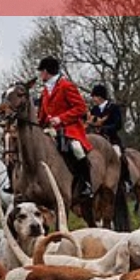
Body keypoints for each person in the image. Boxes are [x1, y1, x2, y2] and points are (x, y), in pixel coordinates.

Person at [36, 55, 93, 200]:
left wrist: (61, 118)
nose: (40, 74)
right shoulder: (45, 91)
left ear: (46, 72)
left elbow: (81, 108)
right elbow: (42, 115)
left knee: (76, 149)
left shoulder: (66, 86)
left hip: (69, 128)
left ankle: (87, 183)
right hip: (50, 129)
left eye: (41, 71)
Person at [88, 84, 123, 149]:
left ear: (100, 97)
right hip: (96, 140)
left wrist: (104, 128)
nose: (93, 99)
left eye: (94, 97)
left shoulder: (113, 107)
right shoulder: (94, 109)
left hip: (112, 140)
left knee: (117, 151)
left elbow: (118, 125)